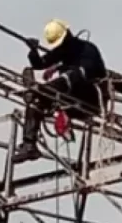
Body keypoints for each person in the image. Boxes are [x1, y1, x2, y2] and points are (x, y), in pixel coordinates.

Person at [12, 19, 109, 164]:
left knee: (71, 76)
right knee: (35, 101)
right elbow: (40, 64)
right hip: (71, 97)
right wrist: (33, 51)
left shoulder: (88, 50)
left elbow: (81, 74)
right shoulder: (63, 50)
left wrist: (52, 84)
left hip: (92, 97)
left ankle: (45, 91)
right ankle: (29, 145)